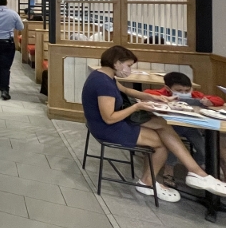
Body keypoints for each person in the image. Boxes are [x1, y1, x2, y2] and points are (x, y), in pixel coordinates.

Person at [81, 46, 226, 202]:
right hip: (108, 128)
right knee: (161, 143)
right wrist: (137, 106)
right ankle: (150, 181)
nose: (129, 69)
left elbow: (128, 91)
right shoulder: (104, 84)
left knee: (161, 124)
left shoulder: (105, 76)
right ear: (116, 63)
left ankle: (196, 173)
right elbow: (109, 118)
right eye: (128, 65)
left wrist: (153, 98)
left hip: (108, 124)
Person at [145, 72, 218, 187]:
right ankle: (169, 170)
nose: (184, 93)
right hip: (170, 127)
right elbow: (146, 94)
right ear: (168, 88)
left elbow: (217, 100)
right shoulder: (162, 94)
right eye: (179, 90)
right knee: (172, 144)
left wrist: (210, 102)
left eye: (187, 90)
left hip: (191, 127)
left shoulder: (195, 95)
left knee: (203, 148)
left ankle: (195, 169)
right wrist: (163, 99)